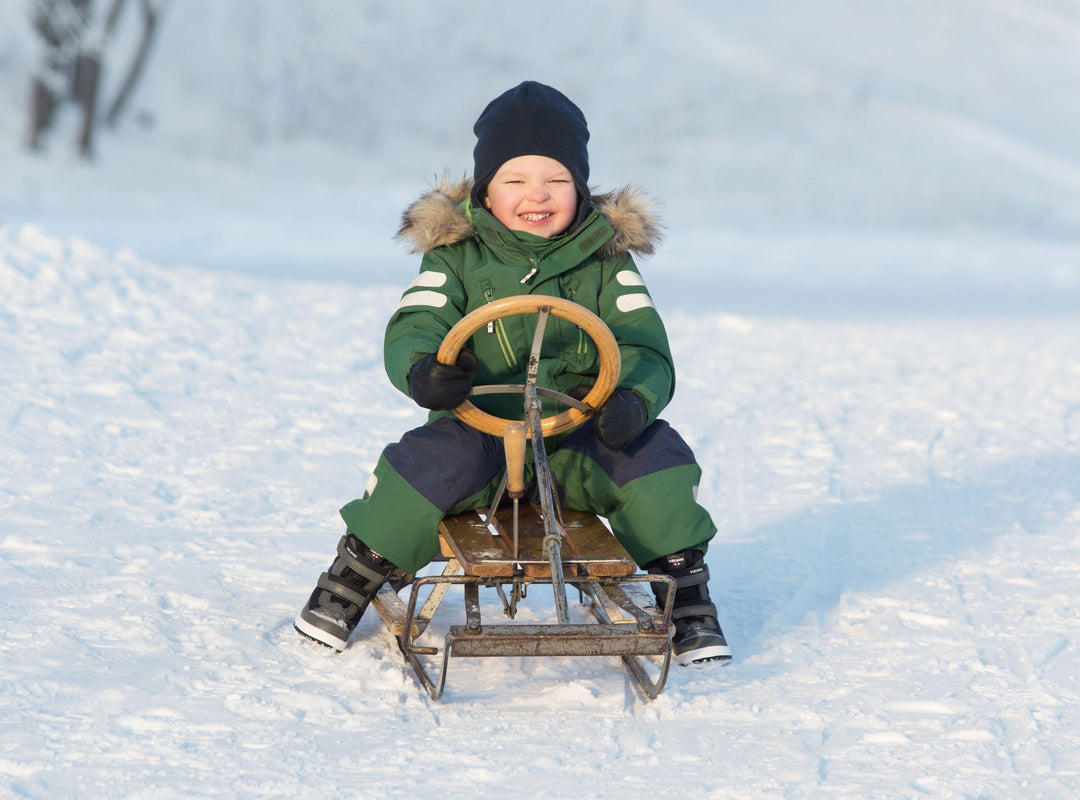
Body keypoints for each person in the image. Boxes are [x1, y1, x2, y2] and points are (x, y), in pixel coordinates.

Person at [295, 81, 730, 667]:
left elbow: (645, 344)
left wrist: (631, 399)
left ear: (579, 187)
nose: (537, 196)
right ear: (485, 189)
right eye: (515, 180)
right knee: (418, 469)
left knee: (659, 463)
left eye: (556, 180)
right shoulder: (456, 253)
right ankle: (359, 568)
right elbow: (417, 321)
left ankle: (685, 589)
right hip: (483, 424)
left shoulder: (608, 260)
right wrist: (425, 370)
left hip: (582, 428)